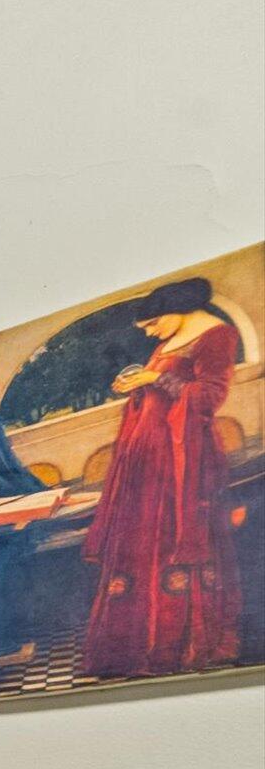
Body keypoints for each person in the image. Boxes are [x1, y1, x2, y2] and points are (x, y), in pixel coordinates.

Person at [80, 277, 242, 678]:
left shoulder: (217, 336)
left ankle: (176, 647)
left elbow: (207, 398)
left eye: (153, 324)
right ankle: (130, 646)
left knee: (171, 543)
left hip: (181, 465)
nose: (150, 332)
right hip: (146, 464)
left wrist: (153, 379)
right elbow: (157, 396)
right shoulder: (165, 344)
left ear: (175, 310)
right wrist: (134, 387)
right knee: (139, 546)